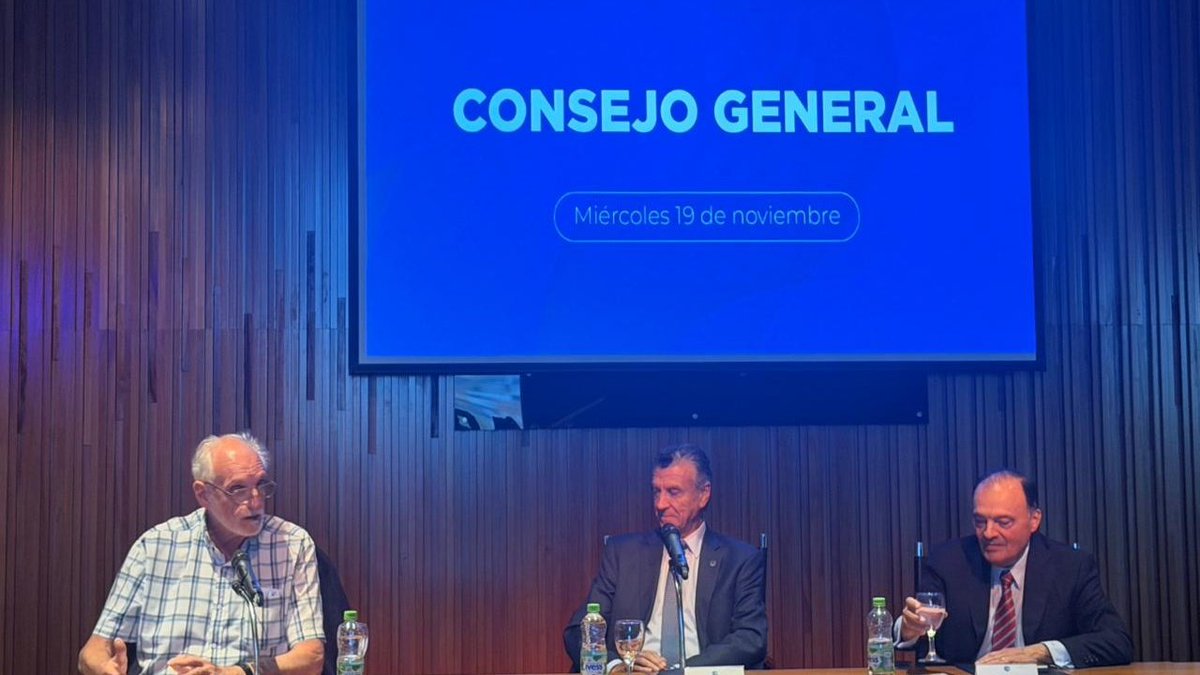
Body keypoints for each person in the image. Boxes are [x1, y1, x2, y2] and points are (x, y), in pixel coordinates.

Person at [79, 432, 325, 675]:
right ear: (203, 494)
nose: (256, 501)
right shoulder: (155, 546)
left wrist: (232, 673)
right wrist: (104, 669)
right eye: (238, 489)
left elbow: (312, 656)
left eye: (261, 485)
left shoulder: (292, 545)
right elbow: (93, 651)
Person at [563, 444, 767, 673]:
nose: (660, 504)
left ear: (704, 494)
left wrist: (682, 671)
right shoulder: (623, 554)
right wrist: (617, 665)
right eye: (656, 491)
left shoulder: (740, 560)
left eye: (673, 492)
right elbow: (579, 631)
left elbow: (751, 638)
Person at [897, 470, 1133, 667]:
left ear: (1034, 520)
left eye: (1003, 522)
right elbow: (919, 631)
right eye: (980, 521)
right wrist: (908, 629)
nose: (988, 533)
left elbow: (1116, 641)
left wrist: (1040, 652)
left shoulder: (1070, 567)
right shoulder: (948, 561)